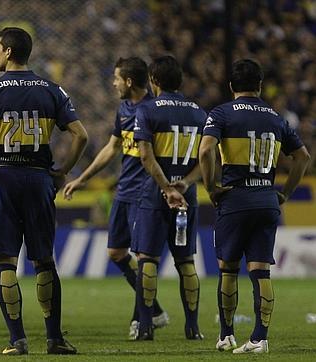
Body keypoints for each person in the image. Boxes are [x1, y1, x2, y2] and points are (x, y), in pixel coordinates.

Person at [0, 27, 88, 355]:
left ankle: (17, 339)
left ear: (9, 52)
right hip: (39, 177)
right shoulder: (51, 90)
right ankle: (55, 338)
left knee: (5, 261)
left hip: (3, 179)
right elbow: (81, 135)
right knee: (44, 260)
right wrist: (62, 172)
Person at [199, 59, 310, 353]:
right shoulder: (276, 117)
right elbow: (303, 157)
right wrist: (284, 192)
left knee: (228, 269)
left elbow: (206, 149)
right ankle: (260, 338)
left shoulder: (221, 113)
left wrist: (211, 187)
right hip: (266, 198)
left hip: (234, 198)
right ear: (260, 86)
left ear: (231, 86)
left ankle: (226, 335)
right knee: (260, 270)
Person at [63, 57, 168, 339]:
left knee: (143, 257)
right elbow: (112, 148)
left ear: (129, 81)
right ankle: (155, 310)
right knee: (117, 253)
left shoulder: (153, 110)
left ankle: (141, 320)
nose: (113, 83)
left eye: (116, 78)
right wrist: (82, 178)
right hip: (124, 190)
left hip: (144, 193)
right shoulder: (124, 108)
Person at [131, 55, 206, 341]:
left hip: (154, 193)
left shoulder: (147, 110)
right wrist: (184, 183)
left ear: (154, 81)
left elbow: (145, 155)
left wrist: (166, 187)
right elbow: (207, 158)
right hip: (188, 196)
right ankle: (193, 327)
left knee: (147, 259)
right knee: (186, 261)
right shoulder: (199, 113)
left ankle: (147, 326)